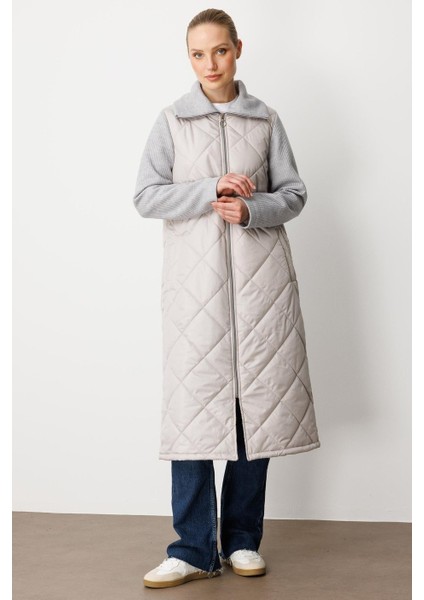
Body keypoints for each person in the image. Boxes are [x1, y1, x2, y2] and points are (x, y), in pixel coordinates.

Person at [132, 8, 321, 589]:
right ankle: (191, 548)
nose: (209, 64)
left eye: (219, 50)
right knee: (192, 415)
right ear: (188, 57)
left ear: (238, 48)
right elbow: (146, 196)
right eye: (198, 54)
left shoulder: (265, 120)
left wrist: (253, 209)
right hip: (196, 295)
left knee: (251, 410)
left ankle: (241, 540)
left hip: (261, 290)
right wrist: (209, 188)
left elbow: (294, 193)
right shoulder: (172, 121)